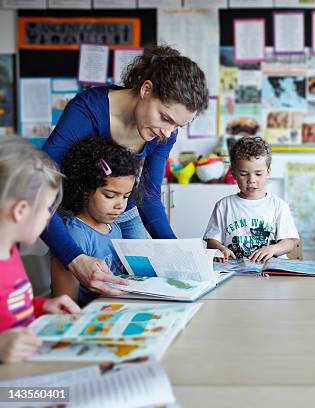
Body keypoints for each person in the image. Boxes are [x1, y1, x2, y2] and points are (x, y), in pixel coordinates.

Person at [41, 45, 209, 296]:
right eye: (165, 117)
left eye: (177, 126)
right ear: (146, 89)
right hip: (80, 213)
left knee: (144, 288)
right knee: (82, 288)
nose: (167, 133)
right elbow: (39, 186)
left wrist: (182, 256)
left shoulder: (165, 134)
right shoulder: (87, 110)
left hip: (127, 215)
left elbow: (149, 196)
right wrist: (74, 257)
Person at [0, 136, 80, 363]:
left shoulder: (11, 253)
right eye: (47, 208)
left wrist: (42, 306)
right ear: (21, 210)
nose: (49, 217)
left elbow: (11, 309)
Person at [51, 138, 140, 306]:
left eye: (126, 196)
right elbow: (65, 304)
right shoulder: (75, 235)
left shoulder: (113, 227)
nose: (120, 204)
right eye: (110, 195)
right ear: (84, 188)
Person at [205, 136, 299, 262]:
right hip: (235, 272)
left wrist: (272, 249)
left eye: (258, 174)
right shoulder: (224, 205)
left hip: (270, 272)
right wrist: (220, 249)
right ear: (233, 173)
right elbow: (211, 240)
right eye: (243, 174)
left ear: (268, 172)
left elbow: (290, 242)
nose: (251, 180)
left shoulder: (278, 205)